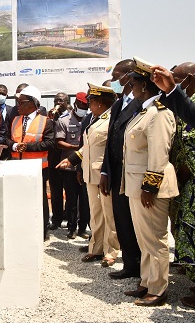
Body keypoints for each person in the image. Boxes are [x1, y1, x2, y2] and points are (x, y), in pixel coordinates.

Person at [150, 64, 195, 310]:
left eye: (177, 79)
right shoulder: (190, 101)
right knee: (189, 237)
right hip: (188, 185)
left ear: (188, 78)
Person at [120, 64, 177, 306]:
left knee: (155, 238)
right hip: (137, 184)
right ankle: (146, 281)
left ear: (144, 85)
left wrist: (150, 186)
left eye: (133, 83)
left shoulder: (159, 112)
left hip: (150, 186)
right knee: (144, 238)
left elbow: (159, 153)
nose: (130, 88)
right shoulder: (144, 111)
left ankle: (158, 289)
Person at [57, 84, 119, 267]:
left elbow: (111, 149)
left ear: (100, 103)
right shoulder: (94, 119)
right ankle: (96, 248)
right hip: (90, 174)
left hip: (104, 174)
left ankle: (111, 251)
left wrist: (107, 172)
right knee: (96, 213)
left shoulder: (112, 119)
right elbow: (89, 146)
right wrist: (73, 160)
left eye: (91, 101)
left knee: (109, 214)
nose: (88, 105)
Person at [99, 59, 142, 280]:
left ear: (128, 76)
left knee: (137, 222)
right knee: (122, 219)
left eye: (117, 77)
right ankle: (130, 265)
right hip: (116, 172)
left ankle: (143, 268)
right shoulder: (118, 104)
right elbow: (110, 141)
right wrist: (105, 171)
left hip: (133, 173)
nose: (114, 81)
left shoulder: (143, 103)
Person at [7, 85, 56, 241]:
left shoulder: (45, 122)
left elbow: (50, 144)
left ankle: (42, 231)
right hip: (17, 167)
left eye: (21, 102)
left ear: (33, 103)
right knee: (19, 200)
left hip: (37, 169)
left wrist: (28, 147)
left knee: (39, 200)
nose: (18, 106)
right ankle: (22, 229)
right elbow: (7, 139)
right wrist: (14, 146)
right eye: (17, 102)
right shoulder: (15, 120)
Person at [55, 92, 88, 239]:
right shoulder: (64, 120)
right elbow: (59, 142)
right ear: (76, 104)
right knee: (72, 199)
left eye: (86, 105)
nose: (84, 107)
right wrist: (77, 148)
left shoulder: (90, 119)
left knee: (85, 199)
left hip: (86, 166)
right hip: (70, 167)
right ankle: (71, 228)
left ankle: (82, 228)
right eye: (82, 105)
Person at [47, 92, 70, 231]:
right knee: (55, 191)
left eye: (61, 101)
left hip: (67, 157)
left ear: (67, 102)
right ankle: (56, 219)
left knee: (70, 190)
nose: (58, 103)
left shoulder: (72, 116)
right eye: (56, 100)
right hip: (54, 158)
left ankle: (70, 218)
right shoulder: (51, 117)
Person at [0, 84, 13, 160]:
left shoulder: (12, 110)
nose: (1, 96)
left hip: (8, 148)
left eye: (3, 94)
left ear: (6, 96)